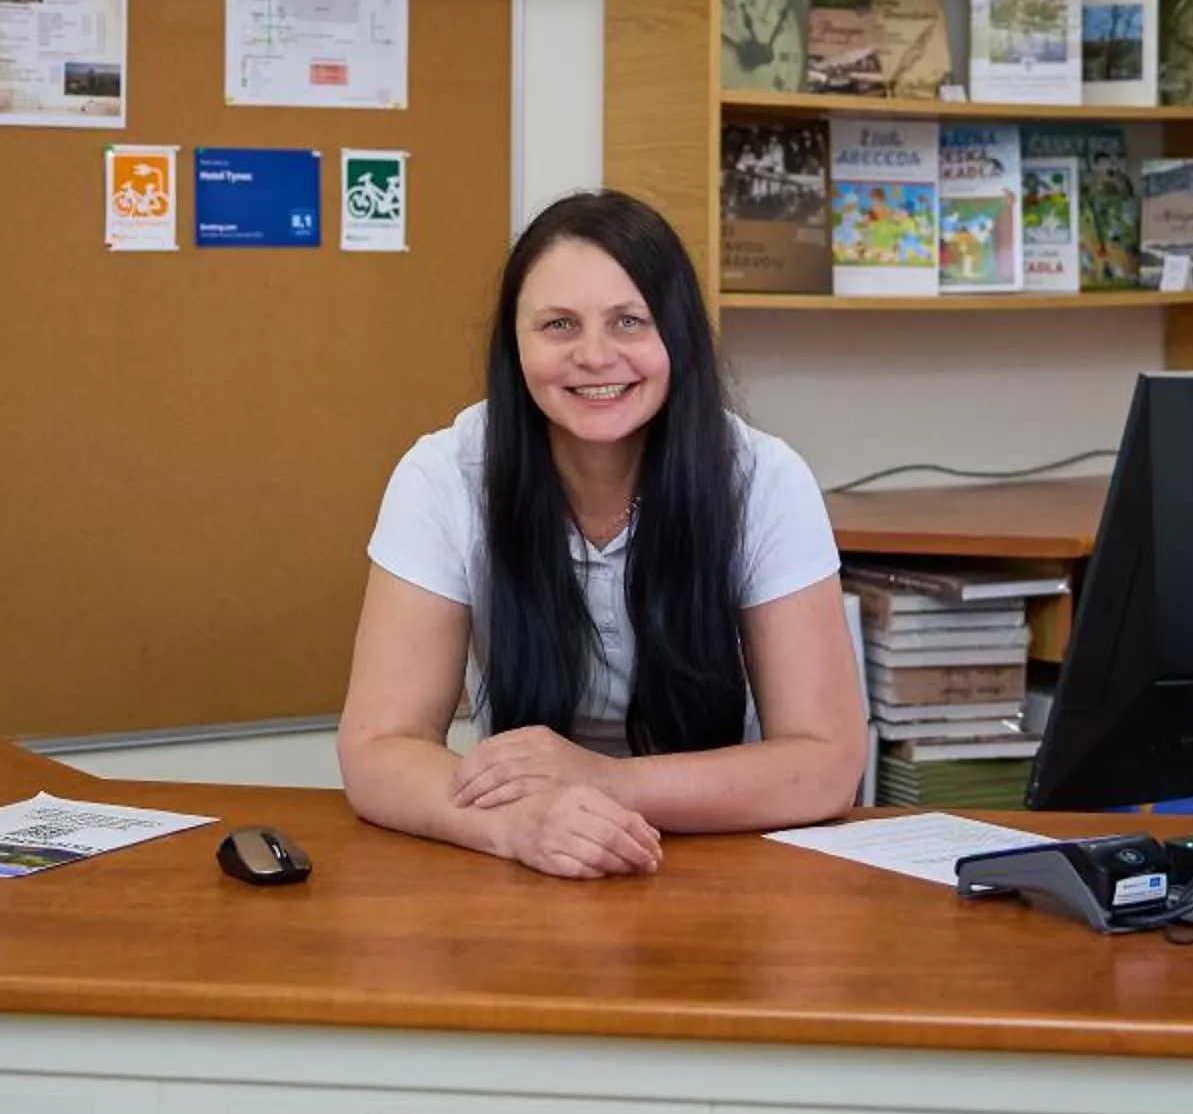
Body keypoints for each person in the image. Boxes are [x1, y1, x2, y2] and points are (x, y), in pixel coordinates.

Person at [339, 191, 864, 878]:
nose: (594, 355)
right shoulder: (444, 473)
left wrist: (602, 782)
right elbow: (378, 747)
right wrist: (512, 824)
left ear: (677, 336)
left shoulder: (763, 478)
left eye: (628, 322)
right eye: (558, 324)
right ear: (515, 344)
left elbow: (825, 763)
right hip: (533, 852)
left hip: (726, 850)